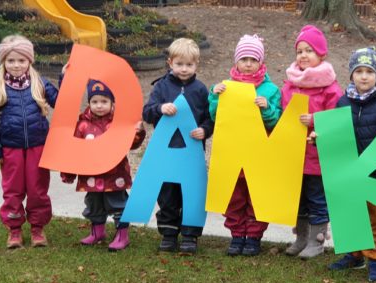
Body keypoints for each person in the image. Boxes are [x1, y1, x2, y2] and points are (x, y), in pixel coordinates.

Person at [322, 47, 376, 282]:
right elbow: (336, 134)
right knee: (350, 212)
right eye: (359, 71)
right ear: (351, 75)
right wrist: (321, 139)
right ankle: (354, 254)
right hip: (350, 171)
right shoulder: (343, 101)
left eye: (369, 71)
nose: (364, 76)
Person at [208, 34, 282, 256]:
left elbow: (276, 121)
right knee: (234, 196)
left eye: (253, 59)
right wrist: (215, 97)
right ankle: (237, 234)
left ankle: (254, 236)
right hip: (232, 153)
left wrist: (266, 107)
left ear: (261, 62)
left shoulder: (270, 90)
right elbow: (215, 117)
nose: (248, 64)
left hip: (258, 154)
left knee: (256, 196)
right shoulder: (225, 87)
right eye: (244, 59)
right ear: (236, 62)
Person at [0, 34, 58, 249]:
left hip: (38, 146)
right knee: (13, 189)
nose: (16, 65)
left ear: (29, 61)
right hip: (10, 148)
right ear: (3, 62)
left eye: (21, 60)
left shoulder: (40, 84)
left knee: (37, 188)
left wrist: (65, 78)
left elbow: (61, 102)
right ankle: (14, 230)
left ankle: (37, 228)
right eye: (11, 60)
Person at [142, 38, 213, 254]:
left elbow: (210, 118)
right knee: (168, 194)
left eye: (189, 65)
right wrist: (161, 108)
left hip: (191, 153)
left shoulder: (201, 90)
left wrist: (204, 130)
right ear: (170, 63)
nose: (184, 69)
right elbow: (147, 112)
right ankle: (169, 233)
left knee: (192, 194)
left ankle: (190, 235)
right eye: (179, 64)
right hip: (167, 153)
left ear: (196, 65)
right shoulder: (161, 87)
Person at [281, 25, 343, 259]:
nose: (304, 55)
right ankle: (301, 238)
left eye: (310, 51)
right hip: (295, 154)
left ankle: (317, 241)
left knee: (317, 197)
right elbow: (283, 112)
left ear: (321, 55)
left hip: (317, 156)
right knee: (298, 198)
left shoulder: (330, 87)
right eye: (300, 51)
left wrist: (315, 120)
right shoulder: (290, 83)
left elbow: (337, 118)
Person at [60, 80, 145, 251]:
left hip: (115, 175)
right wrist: (68, 173)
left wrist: (137, 132)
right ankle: (97, 232)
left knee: (118, 204)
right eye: (95, 101)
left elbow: (131, 144)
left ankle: (122, 235)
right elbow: (74, 149)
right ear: (89, 103)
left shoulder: (118, 122)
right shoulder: (82, 124)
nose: (99, 106)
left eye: (104, 101)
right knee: (94, 205)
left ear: (112, 103)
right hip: (91, 176)